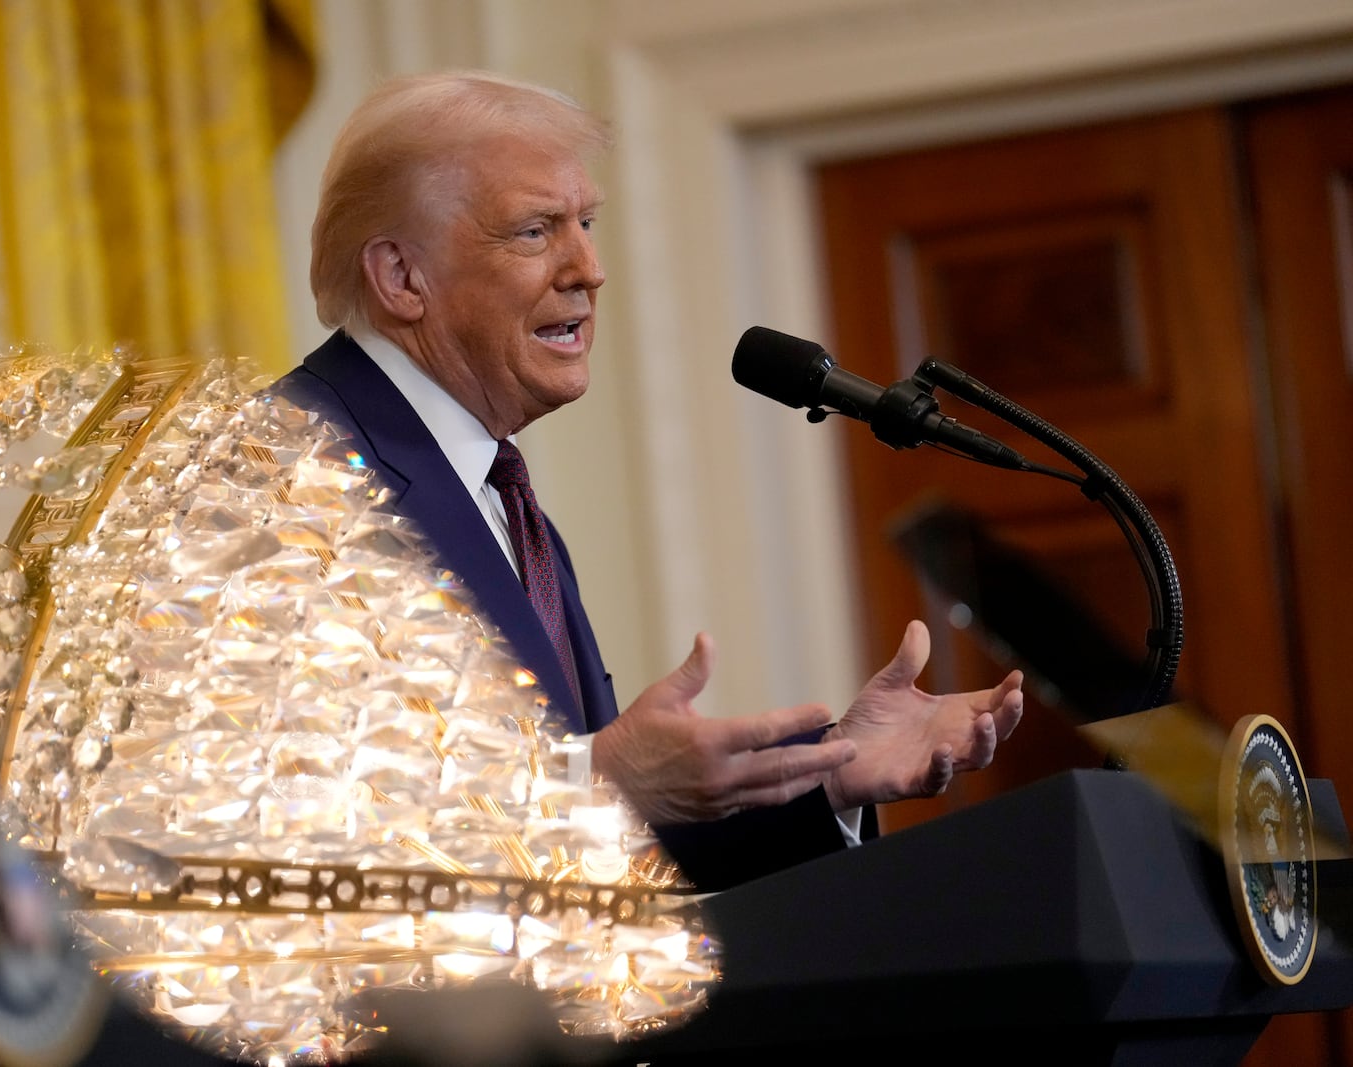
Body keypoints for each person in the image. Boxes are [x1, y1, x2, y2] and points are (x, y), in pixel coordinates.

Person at [274, 71, 1023, 890]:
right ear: (400, 278)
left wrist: (829, 773)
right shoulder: (279, 476)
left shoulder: (497, 495)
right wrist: (595, 780)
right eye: (534, 231)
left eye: (586, 224)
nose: (589, 269)